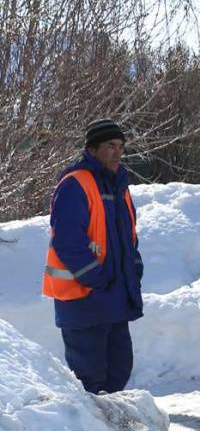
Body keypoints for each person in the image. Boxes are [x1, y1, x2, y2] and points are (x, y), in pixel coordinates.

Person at [43, 118, 144, 394]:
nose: (117, 152)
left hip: (114, 297)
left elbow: (128, 237)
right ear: (92, 148)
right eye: (110, 146)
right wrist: (96, 279)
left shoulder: (118, 185)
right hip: (84, 299)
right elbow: (68, 240)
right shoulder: (75, 184)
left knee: (119, 369)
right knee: (90, 379)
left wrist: (134, 267)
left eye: (121, 147)